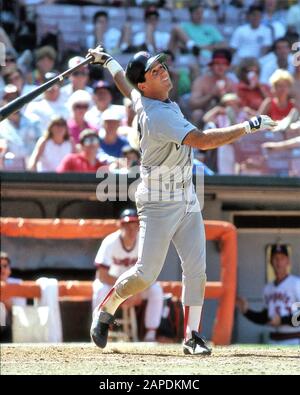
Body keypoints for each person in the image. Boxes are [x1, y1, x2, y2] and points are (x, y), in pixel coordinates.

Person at [87, 45, 277, 355]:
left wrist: (107, 60)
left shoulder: (149, 98)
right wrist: (248, 126)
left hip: (185, 194)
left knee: (196, 269)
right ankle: (106, 309)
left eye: (161, 66)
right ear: (145, 83)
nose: (162, 71)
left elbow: (125, 86)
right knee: (144, 275)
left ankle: (192, 337)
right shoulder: (158, 115)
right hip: (158, 200)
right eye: (154, 71)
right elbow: (203, 141)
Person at [93, 209, 163, 342]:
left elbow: (151, 273)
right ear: (121, 226)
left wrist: (135, 290)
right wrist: (125, 291)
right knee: (99, 288)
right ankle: (99, 328)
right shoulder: (110, 242)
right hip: (111, 286)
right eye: (127, 226)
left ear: (138, 227)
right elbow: (102, 275)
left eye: (134, 226)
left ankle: (151, 334)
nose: (131, 230)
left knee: (156, 290)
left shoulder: (144, 242)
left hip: (136, 286)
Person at [236, 244, 300, 345]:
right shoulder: (268, 288)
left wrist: (283, 320)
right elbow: (265, 317)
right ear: (270, 261)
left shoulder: (296, 283)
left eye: (282, 258)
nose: (278, 262)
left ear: (288, 261)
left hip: (294, 340)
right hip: (273, 341)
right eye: (275, 258)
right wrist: (246, 311)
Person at [0, 251, 26, 343]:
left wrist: (4, 299)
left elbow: (20, 311)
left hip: (11, 328)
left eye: (5, 266)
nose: (2, 269)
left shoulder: (17, 284)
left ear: (9, 269)